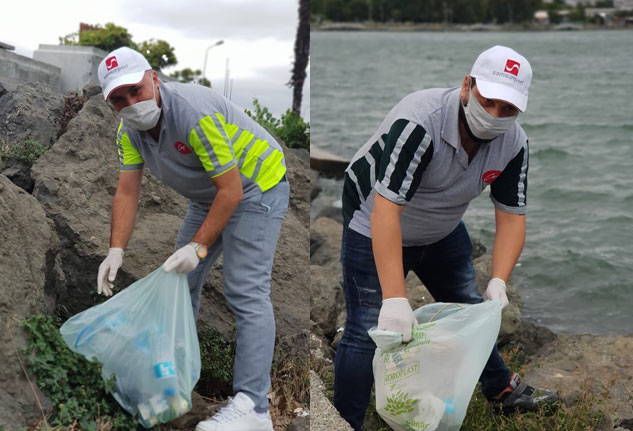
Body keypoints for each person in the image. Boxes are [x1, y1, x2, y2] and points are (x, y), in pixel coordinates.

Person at [334, 45, 558, 430]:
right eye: (489, 102)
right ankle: (342, 422)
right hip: (373, 218)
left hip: (442, 227)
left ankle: (501, 389)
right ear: (467, 86)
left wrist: (500, 279)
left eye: (509, 109)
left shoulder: (514, 144)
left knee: (472, 308)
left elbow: (511, 218)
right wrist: (394, 298)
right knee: (367, 327)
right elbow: (387, 211)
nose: (496, 116)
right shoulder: (420, 121)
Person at [95, 46, 289, 431]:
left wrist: (197, 247)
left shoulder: (192, 113)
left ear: (153, 77)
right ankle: (172, 381)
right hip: (210, 195)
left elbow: (232, 191)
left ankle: (253, 409)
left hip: (256, 186)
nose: (131, 103)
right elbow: (127, 192)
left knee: (245, 291)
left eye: (135, 90)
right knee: (177, 280)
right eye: (119, 98)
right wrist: (115, 249)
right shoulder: (129, 132)